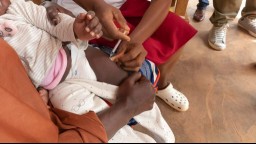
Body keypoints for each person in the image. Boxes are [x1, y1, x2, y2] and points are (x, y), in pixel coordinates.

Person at [0, 0, 174, 142]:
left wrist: (77, 30)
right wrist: (37, 96)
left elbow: (53, 24)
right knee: (93, 119)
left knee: (132, 83)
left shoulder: (16, 8)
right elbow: (17, 83)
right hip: (58, 87)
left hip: (76, 55)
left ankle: (163, 132)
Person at [45, 0, 198, 112]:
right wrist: (95, 5)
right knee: (102, 78)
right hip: (69, 11)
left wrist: (135, 40)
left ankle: (162, 86)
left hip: (124, 9)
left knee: (174, 30)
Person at [0, 38, 155, 142]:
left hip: (55, 82)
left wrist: (69, 28)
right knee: (142, 76)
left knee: (141, 73)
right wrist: (126, 108)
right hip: (68, 118)